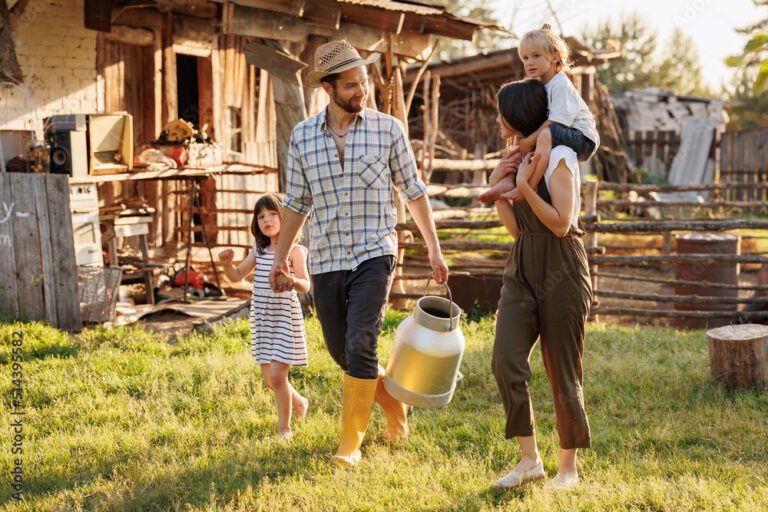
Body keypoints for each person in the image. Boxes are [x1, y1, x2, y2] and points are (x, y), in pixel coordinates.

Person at [268, 40, 449, 467]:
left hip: (374, 252)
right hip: (327, 258)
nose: (360, 90)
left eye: (363, 82)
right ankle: (394, 407)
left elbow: (415, 191)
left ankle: (350, 444)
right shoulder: (302, 137)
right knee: (342, 352)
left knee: (361, 342)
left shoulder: (389, 129)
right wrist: (280, 258)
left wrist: (434, 250)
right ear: (328, 88)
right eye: (350, 85)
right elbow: (296, 205)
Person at [489, 78, 593, 490]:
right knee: (505, 359)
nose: (499, 120)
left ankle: (568, 469)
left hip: (563, 266)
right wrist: (502, 190)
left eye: (503, 112)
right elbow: (518, 231)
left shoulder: (561, 157)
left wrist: (525, 188)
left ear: (520, 115)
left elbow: (561, 223)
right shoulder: (517, 157)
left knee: (561, 370)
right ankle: (530, 459)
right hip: (523, 265)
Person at [219, 193, 310, 440]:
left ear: (285, 218)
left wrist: (292, 280)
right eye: (261, 217)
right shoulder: (259, 250)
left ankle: (284, 429)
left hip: (284, 319)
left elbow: (306, 284)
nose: (267, 220)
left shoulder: (294, 251)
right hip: (263, 320)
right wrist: (228, 264)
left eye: (272, 214)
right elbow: (237, 275)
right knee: (270, 381)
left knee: (279, 377)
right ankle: (300, 402)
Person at [479, 24, 600, 204]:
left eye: (536, 56)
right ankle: (506, 181)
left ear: (555, 57)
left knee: (542, 135)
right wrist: (523, 143)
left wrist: (529, 141)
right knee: (521, 143)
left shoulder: (560, 85)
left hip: (583, 138)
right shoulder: (543, 85)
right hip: (559, 133)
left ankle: (529, 184)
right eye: (525, 58)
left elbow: (555, 124)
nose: (529, 62)